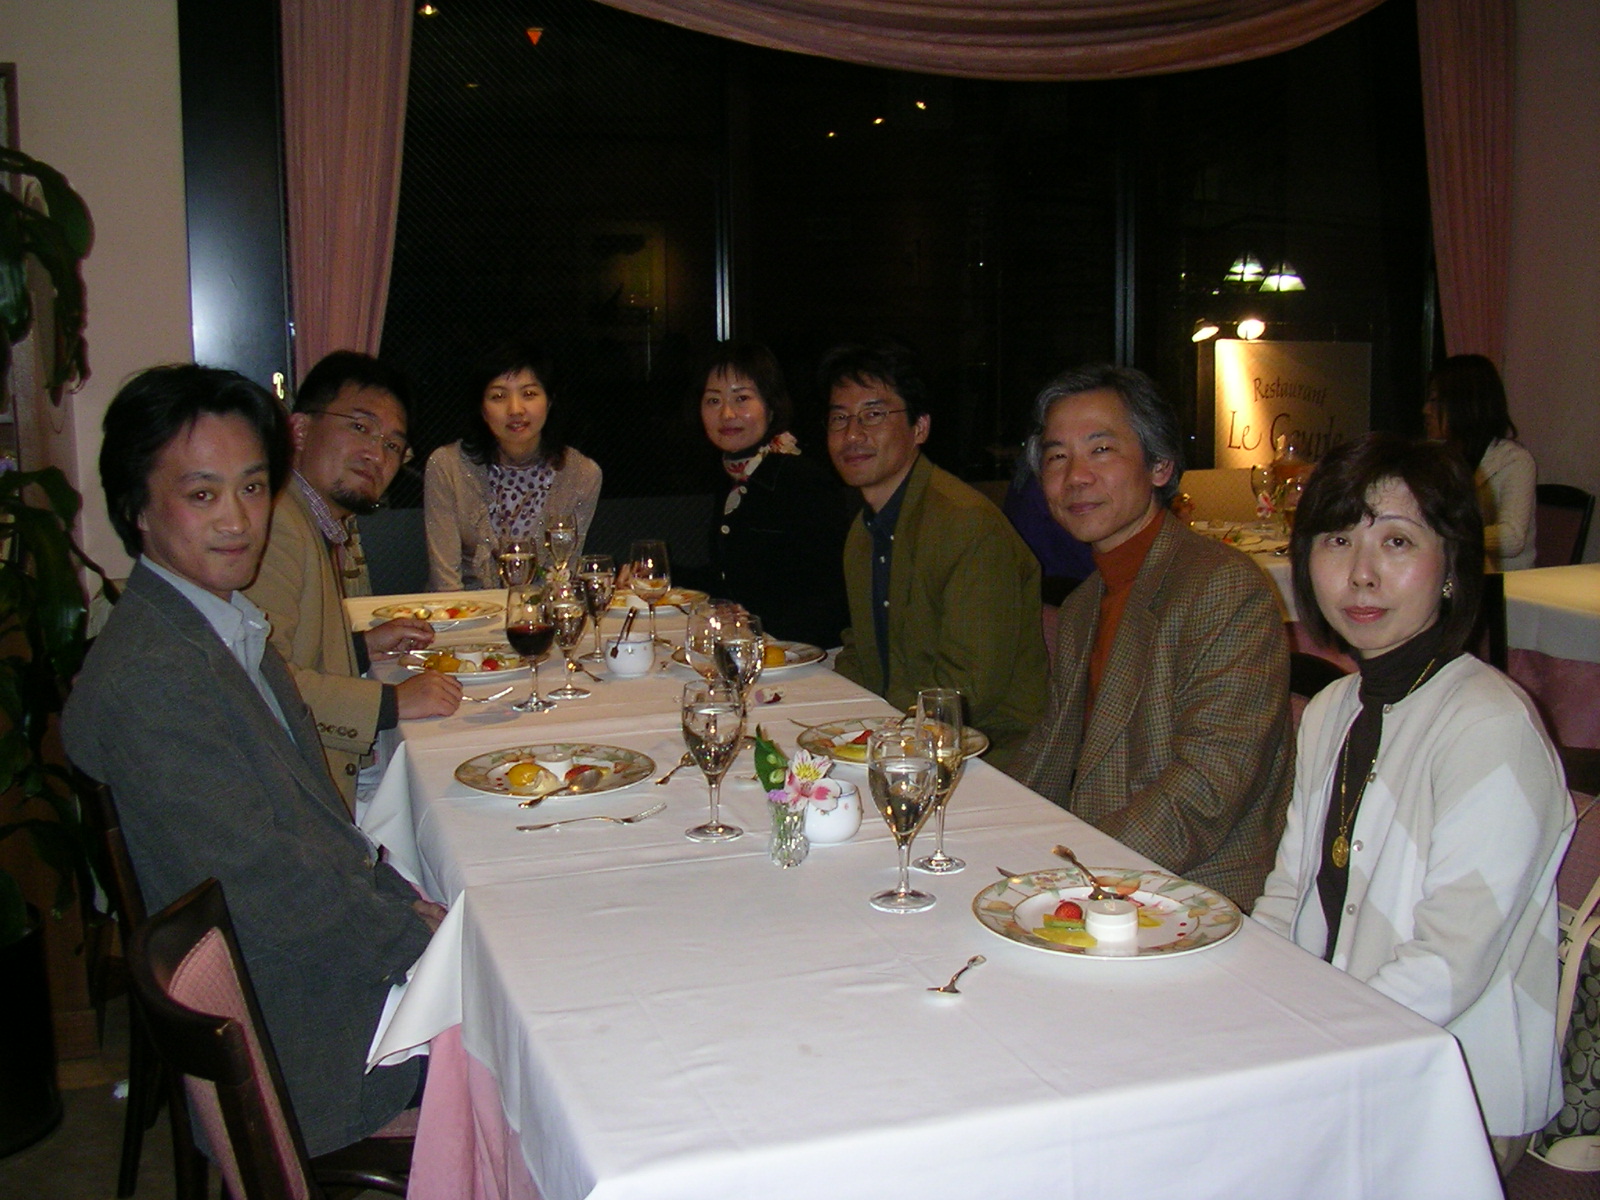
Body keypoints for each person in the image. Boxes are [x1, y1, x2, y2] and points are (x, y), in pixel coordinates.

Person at [62, 364, 440, 1157]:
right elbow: (266, 887)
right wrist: (423, 945)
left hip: (317, 976)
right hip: (305, 1042)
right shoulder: (154, 677)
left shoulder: (219, 625)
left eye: (253, 487)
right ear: (136, 507)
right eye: (202, 494)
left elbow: (318, 833)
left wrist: (411, 909)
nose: (238, 520)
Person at [1253, 433, 1570, 1167]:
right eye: (1338, 540)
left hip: (1452, 1091)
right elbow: (1289, 892)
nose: (1361, 574)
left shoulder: (1488, 726)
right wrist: (1249, 1002)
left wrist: (1308, 1049)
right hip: (1337, 1049)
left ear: (1451, 566)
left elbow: (1447, 965)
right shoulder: (1333, 708)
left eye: (1396, 542)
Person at [1007, 364, 1292, 909]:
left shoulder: (1222, 587)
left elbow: (1206, 790)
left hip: (1192, 892)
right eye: (1057, 456)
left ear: (1160, 466)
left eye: (1101, 450)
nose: (1076, 477)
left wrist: (1075, 873)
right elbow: (1051, 747)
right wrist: (981, 827)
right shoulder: (1085, 602)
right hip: (1099, 867)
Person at [247, 351, 461, 811]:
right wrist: (391, 703)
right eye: (360, 427)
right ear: (299, 430)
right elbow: (259, 682)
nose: (376, 455)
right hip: (288, 798)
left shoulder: (311, 518)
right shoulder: (277, 525)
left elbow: (286, 645)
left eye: (392, 445)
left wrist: (361, 646)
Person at [823, 340, 1046, 765]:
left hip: (988, 755)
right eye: (839, 418)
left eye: (873, 414)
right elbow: (862, 652)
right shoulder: (864, 531)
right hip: (901, 740)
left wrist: (877, 737)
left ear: (920, 428)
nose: (852, 434)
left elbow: (968, 689)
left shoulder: (966, 525)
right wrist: (829, 717)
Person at [690, 340, 851, 647]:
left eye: (742, 398)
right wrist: (657, 576)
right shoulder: (735, 477)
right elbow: (731, 579)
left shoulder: (801, 480)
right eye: (713, 400)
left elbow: (833, 597)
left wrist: (753, 624)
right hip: (751, 646)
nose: (726, 413)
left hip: (804, 654)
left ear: (771, 405)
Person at [425, 341, 602, 589]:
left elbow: (563, 576)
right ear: (482, 408)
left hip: (540, 611)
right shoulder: (447, 466)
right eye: (498, 396)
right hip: (463, 608)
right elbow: (445, 582)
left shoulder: (582, 474)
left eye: (529, 394)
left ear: (549, 401)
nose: (515, 409)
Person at [1423, 354, 1537, 570]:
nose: (1426, 410)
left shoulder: (1513, 460)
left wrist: (1445, 534)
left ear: (1464, 405)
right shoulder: (1439, 455)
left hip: (1504, 581)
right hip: (1455, 574)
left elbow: (1512, 538)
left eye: (1435, 401)